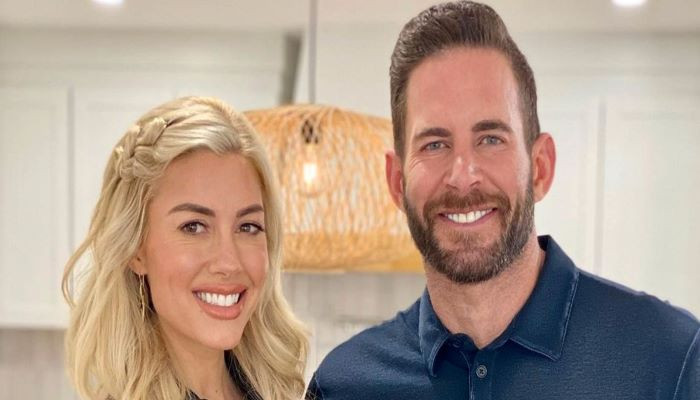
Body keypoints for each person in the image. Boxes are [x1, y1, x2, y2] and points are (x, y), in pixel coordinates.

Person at [306, 2, 699, 399]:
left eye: (490, 139)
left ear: (540, 168)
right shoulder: (342, 385)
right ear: (396, 182)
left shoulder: (670, 359)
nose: (463, 176)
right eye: (435, 144)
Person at [62, 96, 308, 400]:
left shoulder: (274, 390)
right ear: (136, 249)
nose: (229, 263)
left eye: (248, 227)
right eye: (194, 227)